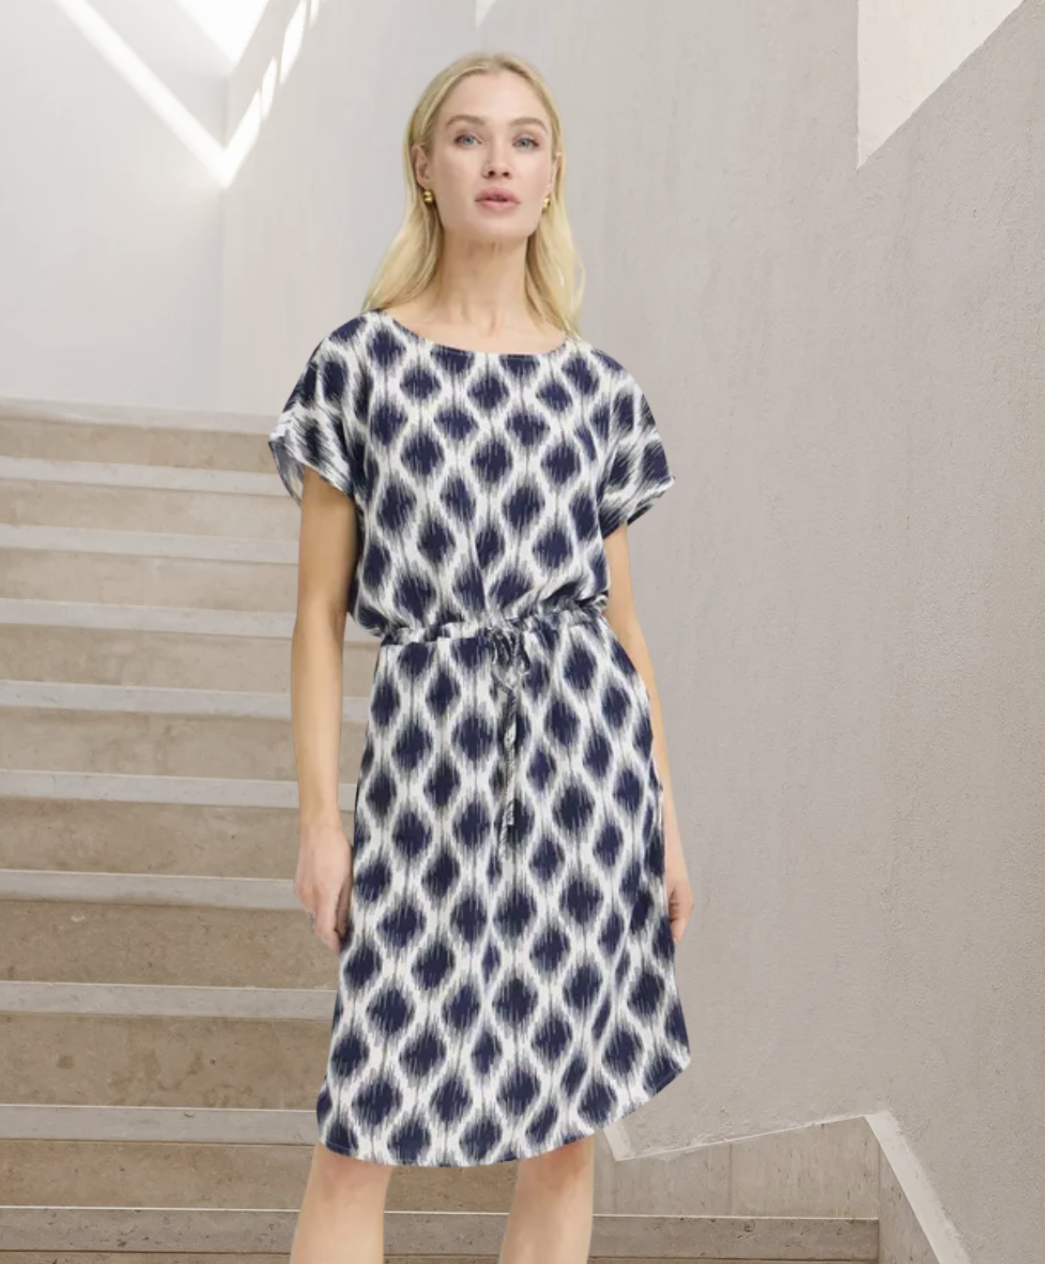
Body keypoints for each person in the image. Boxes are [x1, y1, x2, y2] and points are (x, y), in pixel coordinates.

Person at [268, 50, 694, 1264]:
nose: (497, 161)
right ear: (425, 168)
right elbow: (317, 615)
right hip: (427, 755)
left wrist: (665, 818)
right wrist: (319, 819)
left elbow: (623, 627)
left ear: (553, 174)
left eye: (523, 139)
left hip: (587, 767)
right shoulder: (359, 365)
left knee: (565, 1131)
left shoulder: (599, 390)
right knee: (363, 1126)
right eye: (467, 137)